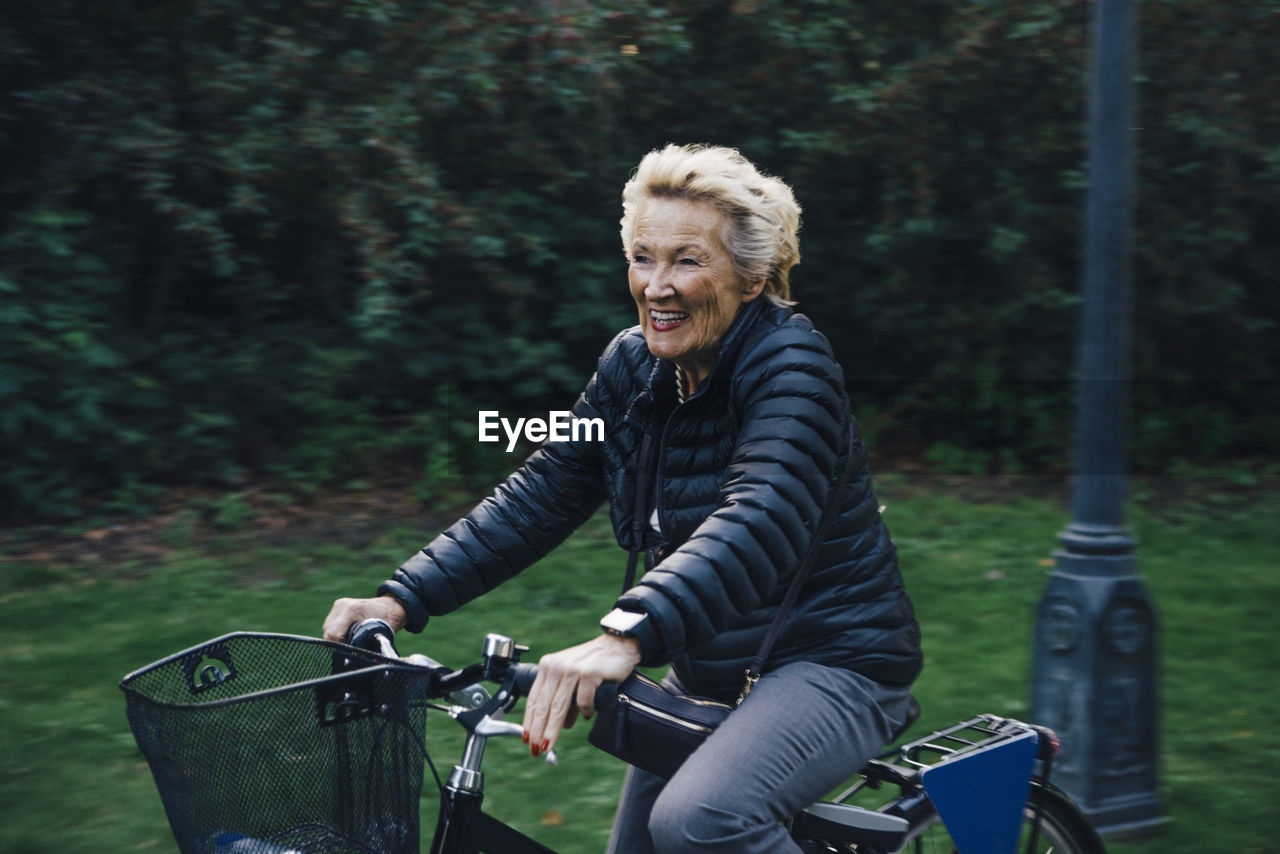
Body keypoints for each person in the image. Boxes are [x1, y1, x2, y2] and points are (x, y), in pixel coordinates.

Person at [324, 143, 922, 854]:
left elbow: (759, 515)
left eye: (688, 260)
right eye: (644, 257)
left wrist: (626, 636)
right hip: (714, 664)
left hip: (835, 664)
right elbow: (543, 491)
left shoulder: (792, 367)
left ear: (753, 277)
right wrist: (401, 598)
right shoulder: (634, 365)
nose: (657, 286)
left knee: (700, 823)